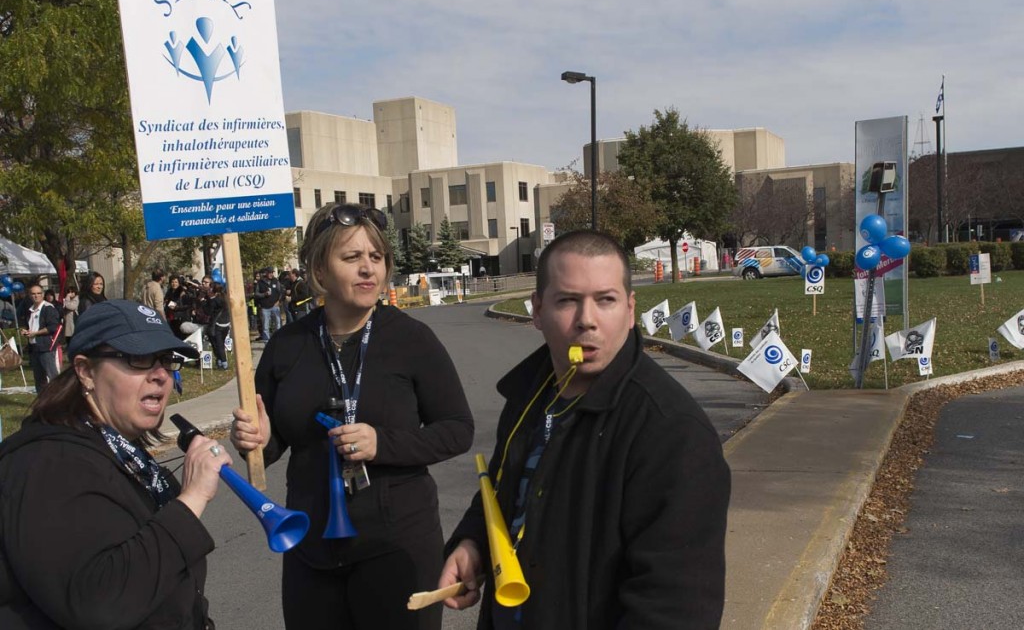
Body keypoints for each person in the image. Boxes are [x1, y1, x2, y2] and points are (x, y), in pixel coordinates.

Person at [439, 230, 731, 629]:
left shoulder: (671, 431)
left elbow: (676, 606)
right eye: (568, 301)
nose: (586, 321)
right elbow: (508, 490)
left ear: (630, 311)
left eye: (605, 300)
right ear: (537, 311)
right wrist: (472, 540)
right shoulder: (529, 396)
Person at [229, 202, 474, 630]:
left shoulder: (411, 339)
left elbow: (457, 430)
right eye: (352, 257)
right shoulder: (287, 346)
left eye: (376, 257)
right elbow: (265, 453)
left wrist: (384, 443)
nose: (368, 269)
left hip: (397, 549)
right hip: (310, 551)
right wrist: (257, 441)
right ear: (320, 271)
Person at [0, 299, 230, 628]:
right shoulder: (48, 464)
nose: (161, 375)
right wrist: (191, 499)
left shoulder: (121, 451)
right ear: (85, 370)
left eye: (166, 360)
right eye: (138, 359)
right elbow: (101, 603)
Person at [20, 284, 63, 394]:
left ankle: (59, 400)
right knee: (39, 379)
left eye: (39, 293)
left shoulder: (48, 308)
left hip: (46, 347)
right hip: (34, 347)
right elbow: (30, 327)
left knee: (52, 375)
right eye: (33, 294)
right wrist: (26, 331)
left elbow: (53, 327)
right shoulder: (30, 310)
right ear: (30, 295)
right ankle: (42, 401)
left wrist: (35, 333)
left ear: (43, 295)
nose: (36, 296)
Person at [254, 267, 282, 341]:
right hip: (265, 307)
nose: (271, 274)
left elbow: (281, 292)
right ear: (266, 273)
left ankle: (277, 339)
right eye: (269, 273)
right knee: (265, 326)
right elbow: (256, 294)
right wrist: (264, 294)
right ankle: (266, 341)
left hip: (275, 306)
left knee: (278, 324)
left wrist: (279, 301)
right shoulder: (260, 282)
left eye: (272, 273)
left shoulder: (275, 281)